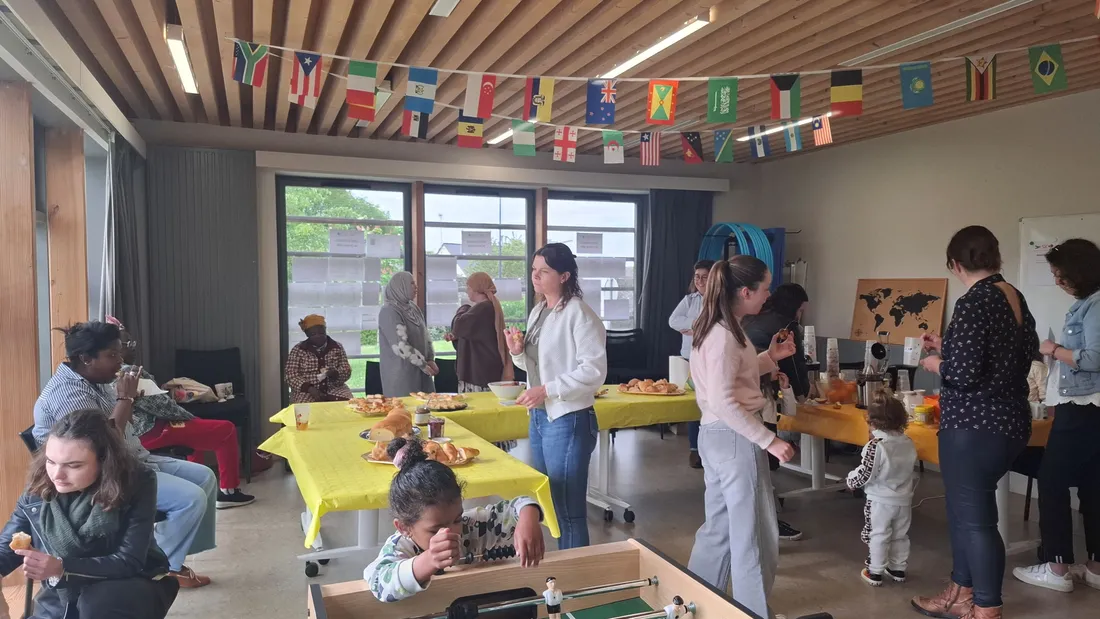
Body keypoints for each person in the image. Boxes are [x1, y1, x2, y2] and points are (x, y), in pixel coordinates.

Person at [912, 226, 1037, 619]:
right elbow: (1016, 353)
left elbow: (963, 375)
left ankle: (985, 607)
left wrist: (935, 362)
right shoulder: (1012, 296)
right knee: (966, 514)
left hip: (974, 424)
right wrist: (946, 346)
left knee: (976, 520)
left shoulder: (973, 301)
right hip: (1010, 420)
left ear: (955, 264)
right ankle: (960, 590)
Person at [33, 321, 217, 588]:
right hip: (100, 475)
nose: (120, 362)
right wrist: (125, 400)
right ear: (86, 358)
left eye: (120, 354)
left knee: (204, 477)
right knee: (190, 499)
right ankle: (157, 571)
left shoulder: (92, 378)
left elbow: (115, 430)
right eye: (112, 355)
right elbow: (104, 448)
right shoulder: (69, 392)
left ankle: (171, 557)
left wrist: (127, 397)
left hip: (132, 459)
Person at [685, 256, 797, 619]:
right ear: (745, 292)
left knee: (719, 529)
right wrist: (769, 440)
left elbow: (734, 376)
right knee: (754, 536)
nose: (768, 296)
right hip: (734, 437)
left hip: (717, 436)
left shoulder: (722, 328)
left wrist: (770, 357)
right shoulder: (723, 335)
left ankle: (695, 605)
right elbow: (723, 399)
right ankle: (754, 612)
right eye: (764, 289)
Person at [1, 410, 180, 619]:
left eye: (73, 465)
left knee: (97, 604)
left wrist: (61, 566)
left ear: (104, 461)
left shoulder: (136, 481)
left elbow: (129, 560)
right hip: (61, 593)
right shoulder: (41, 484)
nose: (56, 475)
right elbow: (8, 545)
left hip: (128, 586)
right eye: (51, 461)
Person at [504, 243, 607, 550]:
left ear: (564, 276)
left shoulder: (579, 313)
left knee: (568, 510)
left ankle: (576, 580)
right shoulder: (539, 311)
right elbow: (537, 367)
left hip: (568, 418)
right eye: (534, 270)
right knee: (547, 501)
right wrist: (517, 352)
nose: (536, 277)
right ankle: (562, 573)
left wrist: (547, 390)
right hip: (540, 415)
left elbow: (594, 372)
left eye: (544, 271)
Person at [1013, 238, 1100, 593]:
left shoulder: (1095, 306)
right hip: (1089, 407)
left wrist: (1054, 349)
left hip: (1081, 407)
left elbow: (1093, 358)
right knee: (1094, 484)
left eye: (1060, 274)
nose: (1058, 282)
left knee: (1051, 480)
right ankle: (1094, 567)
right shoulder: (1088, 304)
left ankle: (1057, 566)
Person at [363, 438, 545, 602]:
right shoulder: (400, 547)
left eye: (457, 519)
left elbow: (517, 505)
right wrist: (428, 560)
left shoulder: (472, 526)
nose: (452, 532)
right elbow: (378, 582)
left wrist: (528, 516)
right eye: (435, 530)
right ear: (404, 527)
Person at [106, 316, 255, 510]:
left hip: (136, 433)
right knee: (225, 429)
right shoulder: (130, 373)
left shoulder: (106, 372)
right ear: (115, 349)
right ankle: (229, 491)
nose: (134, 347)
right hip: (151, 430)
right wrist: (190, 416)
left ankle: (196, 485)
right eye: (128, 344)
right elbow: (162, 407)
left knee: (197, 434)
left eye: (134, 342)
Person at [744, 282, 812, 543]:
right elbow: (795, 364)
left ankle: (766, 516)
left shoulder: (750, 322)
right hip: (758, 397)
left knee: (755, 471)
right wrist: (802, 392)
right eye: (763, 288)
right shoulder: (786, 326)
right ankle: (767, 521)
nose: (767, 295)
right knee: (757, 468)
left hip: (759, 391)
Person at [846, 390, 917, 587]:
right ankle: (898, 568)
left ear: (872, 422)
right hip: (904, 500)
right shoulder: (908, 443)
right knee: (900, 535)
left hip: (879, 501)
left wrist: (851, 481)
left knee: (878, 534)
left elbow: (866, 472)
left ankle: (875, 570)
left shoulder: (875, 445)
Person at [445, 272, 517, 450]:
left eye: (468, 287)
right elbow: (468, 335)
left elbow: (459, 325)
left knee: (480, 417)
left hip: (478, 374)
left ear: (476, 289)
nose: (467, 291)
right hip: (485, 370)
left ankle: (485, 447)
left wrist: (462, 309)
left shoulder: (481, 309)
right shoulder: (486, 308)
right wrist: (456, 338)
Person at [668, 259, 714, 469]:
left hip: (712, 358)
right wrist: (697, 325)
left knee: (711, 404)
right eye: (697, 276)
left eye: (705, 276)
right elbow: (673, 321)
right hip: (689, 357)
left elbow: (717, 327)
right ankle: (695, 449)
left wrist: (693, 327)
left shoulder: (721, 300)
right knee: (694, 404)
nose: (700, 280)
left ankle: (710, 449)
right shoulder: (690, 300)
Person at [379, 272, 438, 397]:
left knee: (427, 409)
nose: (415, 287)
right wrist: (423, 364)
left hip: (423, 371)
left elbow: (425, 334)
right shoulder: (389, 311)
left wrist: (430, 359)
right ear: (401, 286)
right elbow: (400, 345)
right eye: (411, 283)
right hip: (402, 375)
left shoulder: (413, 308)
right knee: (406, 411)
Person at [285, 314, 354, 403]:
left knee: (348, 405)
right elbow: (290, 375)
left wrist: (336, 373)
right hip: (306, 391)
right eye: (313, 334)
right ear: (307, 334)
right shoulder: (298, 350)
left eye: (321, 332)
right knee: (303, 410)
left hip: (335, 388)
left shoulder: (337, 347)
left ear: (325, 330)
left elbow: (346, 370)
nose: (318, 336)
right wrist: (309, 388)